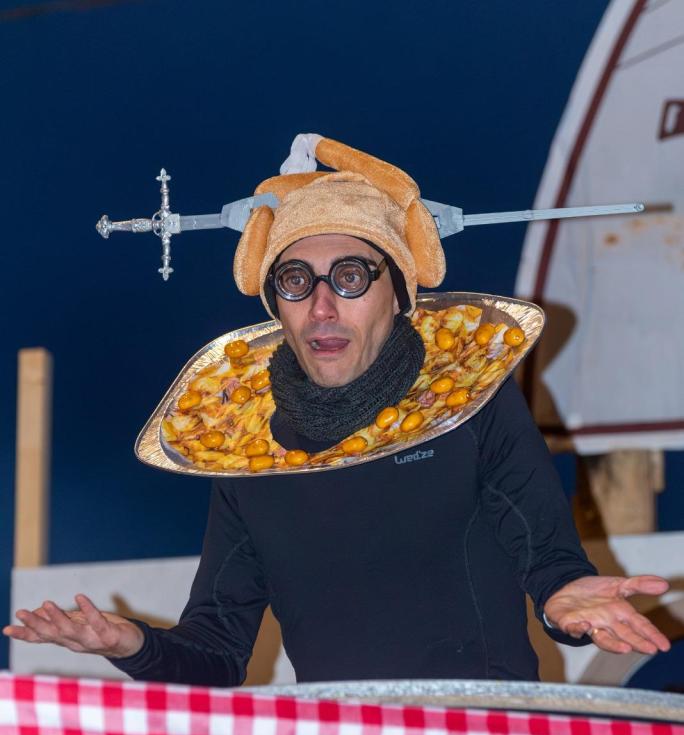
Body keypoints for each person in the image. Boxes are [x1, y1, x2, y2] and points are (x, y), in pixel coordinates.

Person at [4, 136, 670, 683]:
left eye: (350, 277)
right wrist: (130, 645)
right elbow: (217, 652)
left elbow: (552, 564)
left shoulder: (471, 405)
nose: (322, 307)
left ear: (398, 294)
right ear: (276, 304)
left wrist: (565, 599)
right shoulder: (250, 451)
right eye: (296, 281)